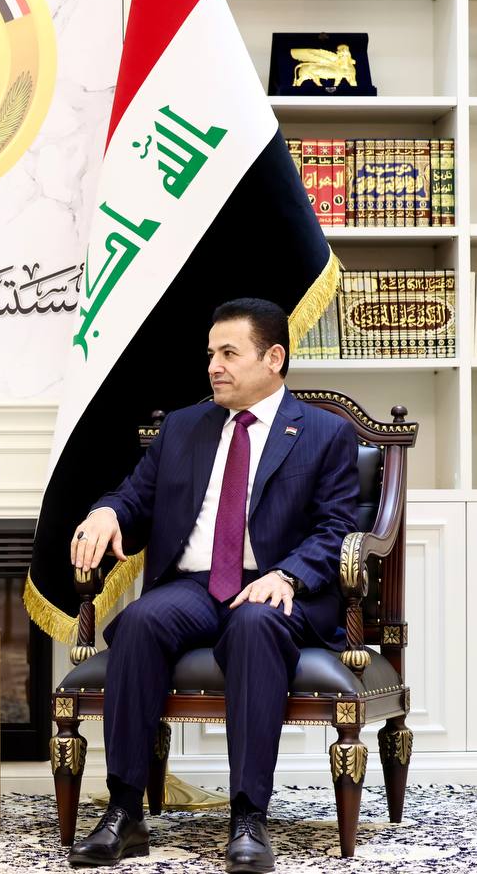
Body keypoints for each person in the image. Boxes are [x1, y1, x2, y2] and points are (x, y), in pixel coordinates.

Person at [65, 298, 358, 873]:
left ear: (273, 358)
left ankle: (248, 817)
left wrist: (287, 573)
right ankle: (124, 813)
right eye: (210, 355)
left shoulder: (326, 434)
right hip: (196, 585)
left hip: (277, 587)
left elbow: (337, 528)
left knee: (254, 625)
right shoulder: (183, 427)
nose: (213, 367)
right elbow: (135, 496)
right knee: (141, 621)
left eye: (228, 353)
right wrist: (107, 512)